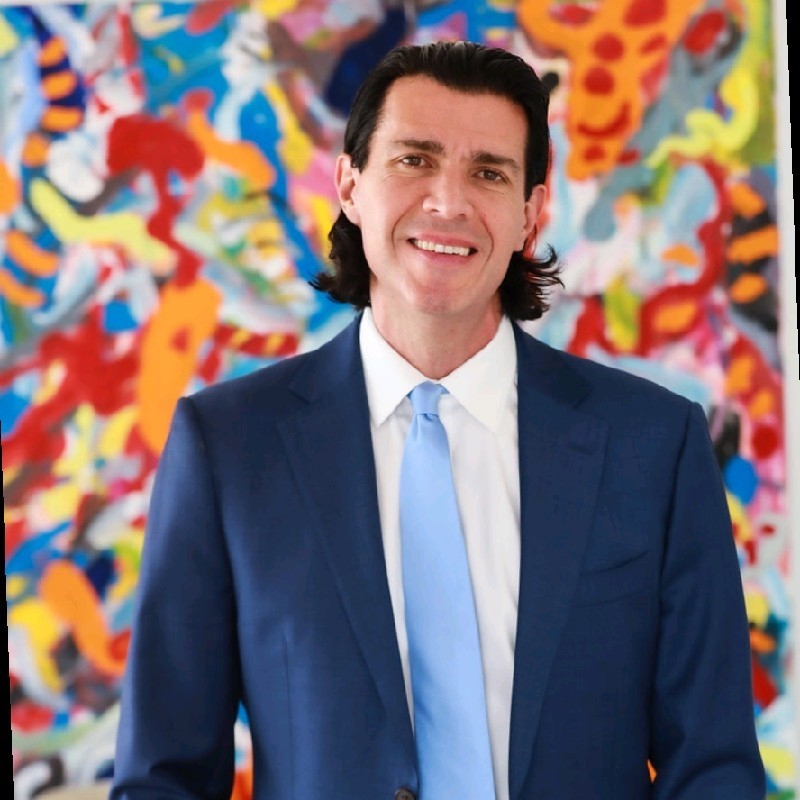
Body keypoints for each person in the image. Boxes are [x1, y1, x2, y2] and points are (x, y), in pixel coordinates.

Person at [110, 41, 765, 799]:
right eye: (414, 160)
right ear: (350, 186)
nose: (448, 202)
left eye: (489, 173)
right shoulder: (227, 449)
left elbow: (712, 769)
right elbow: (162, 779)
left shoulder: (655, 445)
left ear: (530, 214)